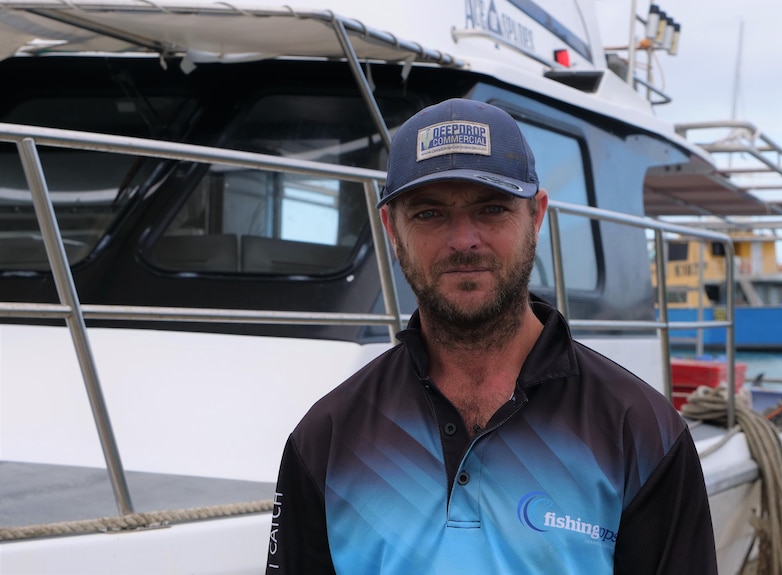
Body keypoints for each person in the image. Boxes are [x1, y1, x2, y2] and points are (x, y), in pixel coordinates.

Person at [265, 98, 718, 574]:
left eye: (493, 208)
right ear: (391, 230)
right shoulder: (326, 439)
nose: (463, 240)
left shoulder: (643, 435)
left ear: (536, 217)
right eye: (429, 214)